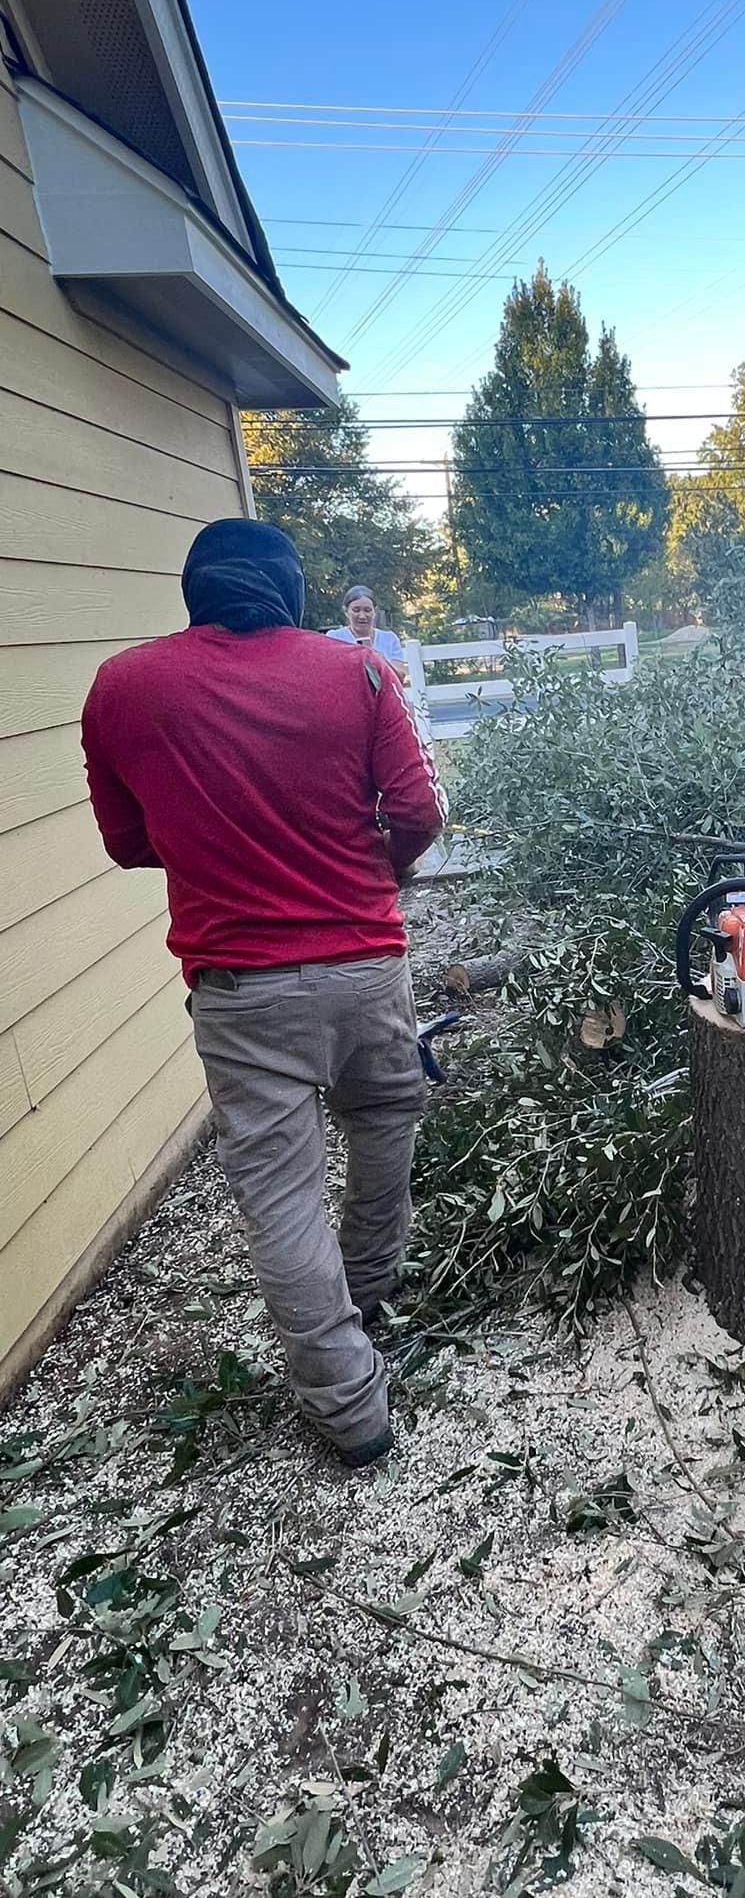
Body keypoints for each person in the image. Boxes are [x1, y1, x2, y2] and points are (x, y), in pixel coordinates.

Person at [81, 519, 447, 1469]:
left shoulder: (123, 688)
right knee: (384, 1123)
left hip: (241, 993)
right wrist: (377, 876)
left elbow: (127, 844)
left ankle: (348, 1408)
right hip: (367, 967)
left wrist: (219, 840)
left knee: (280, 1195)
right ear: (288, 593)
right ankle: (368, 1294)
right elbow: (416, 813)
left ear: (195, 592)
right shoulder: (357, 674)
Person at [328, 586, 406, 675]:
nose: (362, 616)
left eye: (367, 610)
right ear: (346, 611)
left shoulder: (389, 639)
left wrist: (381, 661)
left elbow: (400, 677)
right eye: (356, 610)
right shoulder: (334, 638)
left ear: (375, 611)